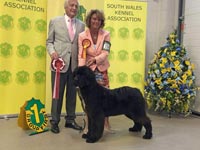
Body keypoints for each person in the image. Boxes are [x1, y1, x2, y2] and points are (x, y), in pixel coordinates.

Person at [46, 0, 85, 134]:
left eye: (76, 6)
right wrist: (52, 53)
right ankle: (55, 121)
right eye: (71, 5)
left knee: (72, 94)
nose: (74, 8)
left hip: (74, 67)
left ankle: (70, 120)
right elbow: (49, 42)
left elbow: (81, 46)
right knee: (57, 94)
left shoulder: (82, 25)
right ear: (65, 7)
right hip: (59, 65)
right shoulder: (55, 21)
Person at [78, 9, 114, 134]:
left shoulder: (106, 34)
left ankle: (106, 125)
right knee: (89, 101)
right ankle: (88, 126)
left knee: (105, 99)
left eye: (99, 19)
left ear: (101, 22)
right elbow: (81, 55)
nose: (96, 21)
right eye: (94, 19)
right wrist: (81, 72)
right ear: (89, 20)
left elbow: (106, 52)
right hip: (88, 72)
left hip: (102, 69)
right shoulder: (82, 36)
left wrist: (95, 59)